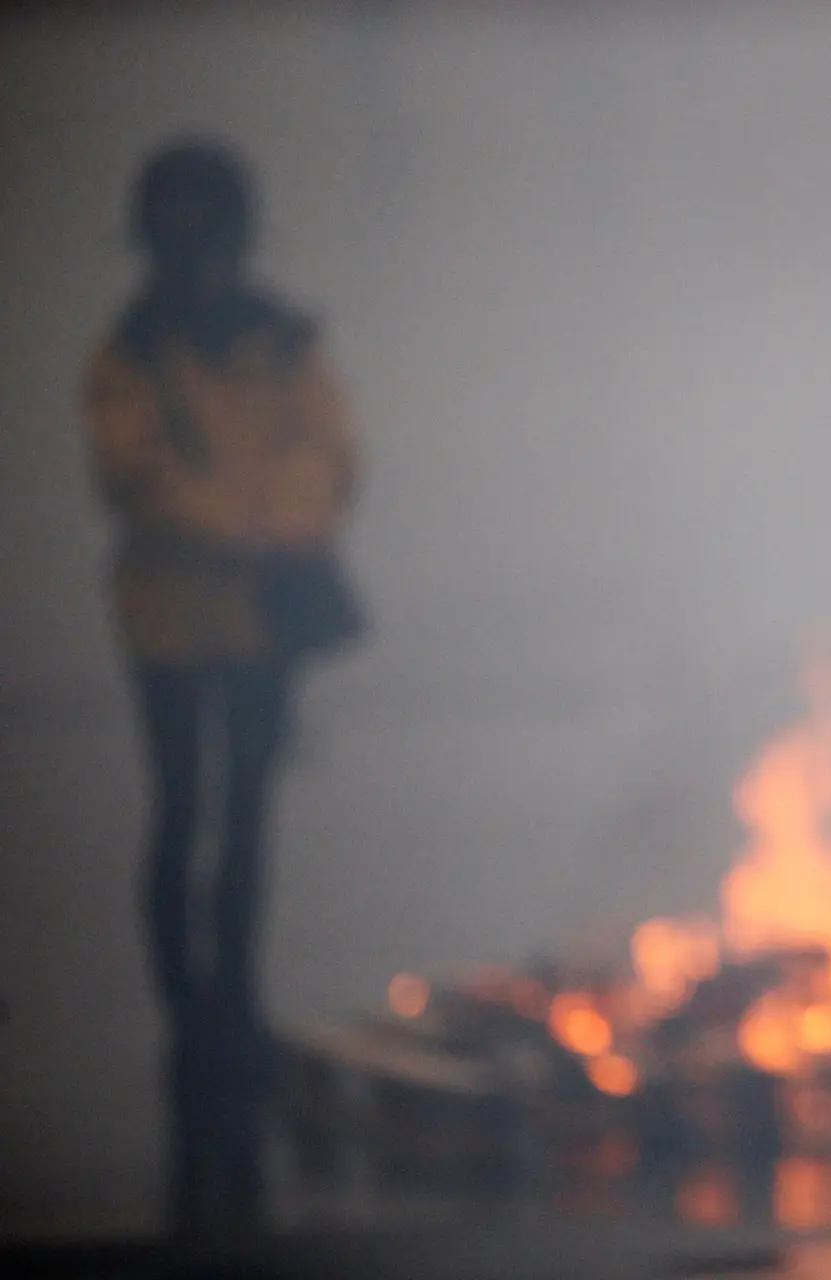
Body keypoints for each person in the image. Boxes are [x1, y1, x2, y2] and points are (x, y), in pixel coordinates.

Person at [82, 140, 359, 1233]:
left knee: (245, 816)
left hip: (257, 620)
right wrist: (240, 530)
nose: (198, 258)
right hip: (169, 616)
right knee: (180, 814)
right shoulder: (129, 353)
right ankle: (188, 1016)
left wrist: (279, 526)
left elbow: (328, 448)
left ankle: (234, 1003)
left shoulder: (283, 341)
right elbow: (130, 473)